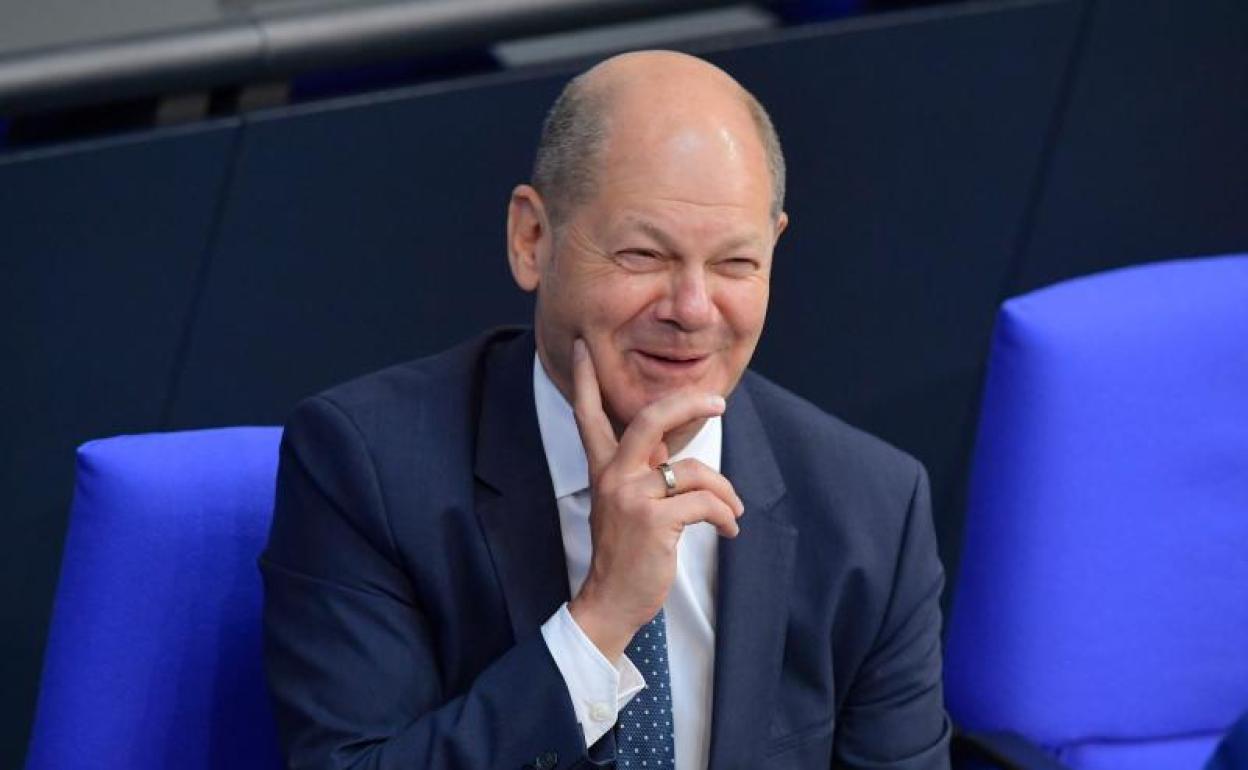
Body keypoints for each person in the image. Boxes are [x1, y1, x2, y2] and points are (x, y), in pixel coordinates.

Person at [261, 50, 950, 770]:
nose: (692, 309)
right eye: (644, 255)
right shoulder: (369, 467)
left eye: (734, 264)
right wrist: (599, 622)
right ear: (532, 240)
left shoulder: (872, 508)